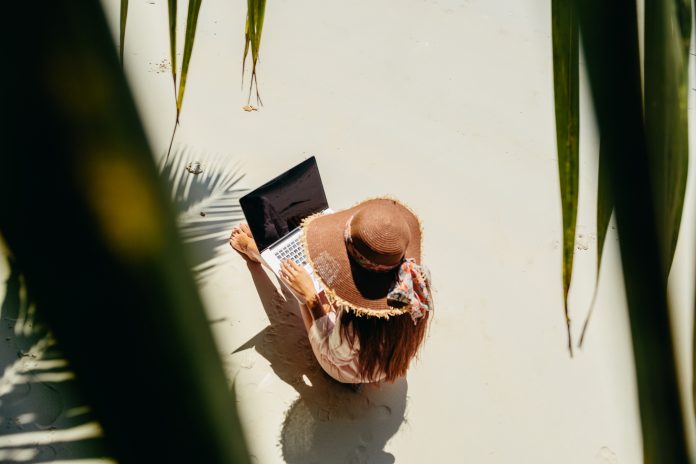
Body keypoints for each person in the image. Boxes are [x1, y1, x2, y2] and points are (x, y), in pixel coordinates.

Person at [229, 198, 433, 385]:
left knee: (305, 289)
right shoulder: (415, 277)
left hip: (354, 367)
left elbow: (335, 353)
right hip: (384, 353)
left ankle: (256, 251)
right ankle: (269, 250)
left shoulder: (355, 325)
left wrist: (311, 300)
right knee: (320, 278)